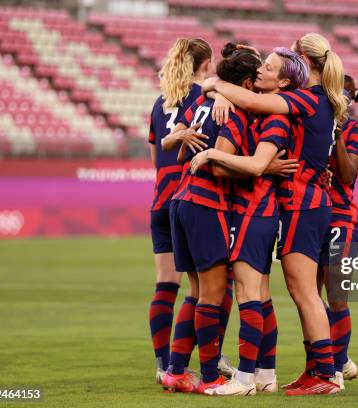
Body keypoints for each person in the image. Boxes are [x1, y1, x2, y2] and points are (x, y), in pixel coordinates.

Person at [202, 32, 347, 395]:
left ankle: (326, 374)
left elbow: (250, 98)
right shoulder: (319, 99)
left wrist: (215, 84)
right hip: (308, 200)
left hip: (303, 202)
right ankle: (318, 368)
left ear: (303, 63)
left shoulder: (305, 100)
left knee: (304, 293)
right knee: (304, 291)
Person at [190, 47, 308, 396]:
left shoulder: (276, 118)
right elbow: (221, 85)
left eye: (267, 67)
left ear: (283, 81)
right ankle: (266, 373)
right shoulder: (259, 109)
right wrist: (214, 87)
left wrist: (212, 152)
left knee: (247, 293)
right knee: (259, 295)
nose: (260, 71)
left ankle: (242, 379)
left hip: (255, 211)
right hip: (254, 211)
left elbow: (257, 166)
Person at [162, 48, 262, 394]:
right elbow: (219, 165)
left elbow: (178, 151)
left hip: (181, 199)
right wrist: (259, 170)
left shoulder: (202, 104)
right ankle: (209, 377)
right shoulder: (233, 113)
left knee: (195, 291)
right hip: (207, 205)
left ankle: (175, 370)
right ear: (247, 82)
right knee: (213, 295)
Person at [146, 38, 211, 385]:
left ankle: (162, 364)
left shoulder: (161, 102)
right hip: (190, 199)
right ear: (206, 64)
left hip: (160, 199)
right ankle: (188, 361)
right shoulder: (205, 97)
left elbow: (157, 158)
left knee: (165, 286)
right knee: (206, 289)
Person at [317, 74, 358, 388]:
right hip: (309, 216)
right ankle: (326, 362)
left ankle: (335, 369)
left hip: (342, 220)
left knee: (337, 297)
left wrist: (336, 136)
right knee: (307, 296)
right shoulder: (313, 124)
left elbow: (348, 175)